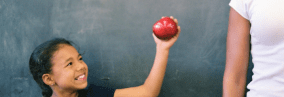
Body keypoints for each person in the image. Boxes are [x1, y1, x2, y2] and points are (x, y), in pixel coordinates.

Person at [29, 16, 181, 97]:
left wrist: (162, 48)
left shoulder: (94, 94)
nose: (81, 66)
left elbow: (148, 93)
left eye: (80, 59)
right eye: (70, 64)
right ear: (49, 79)